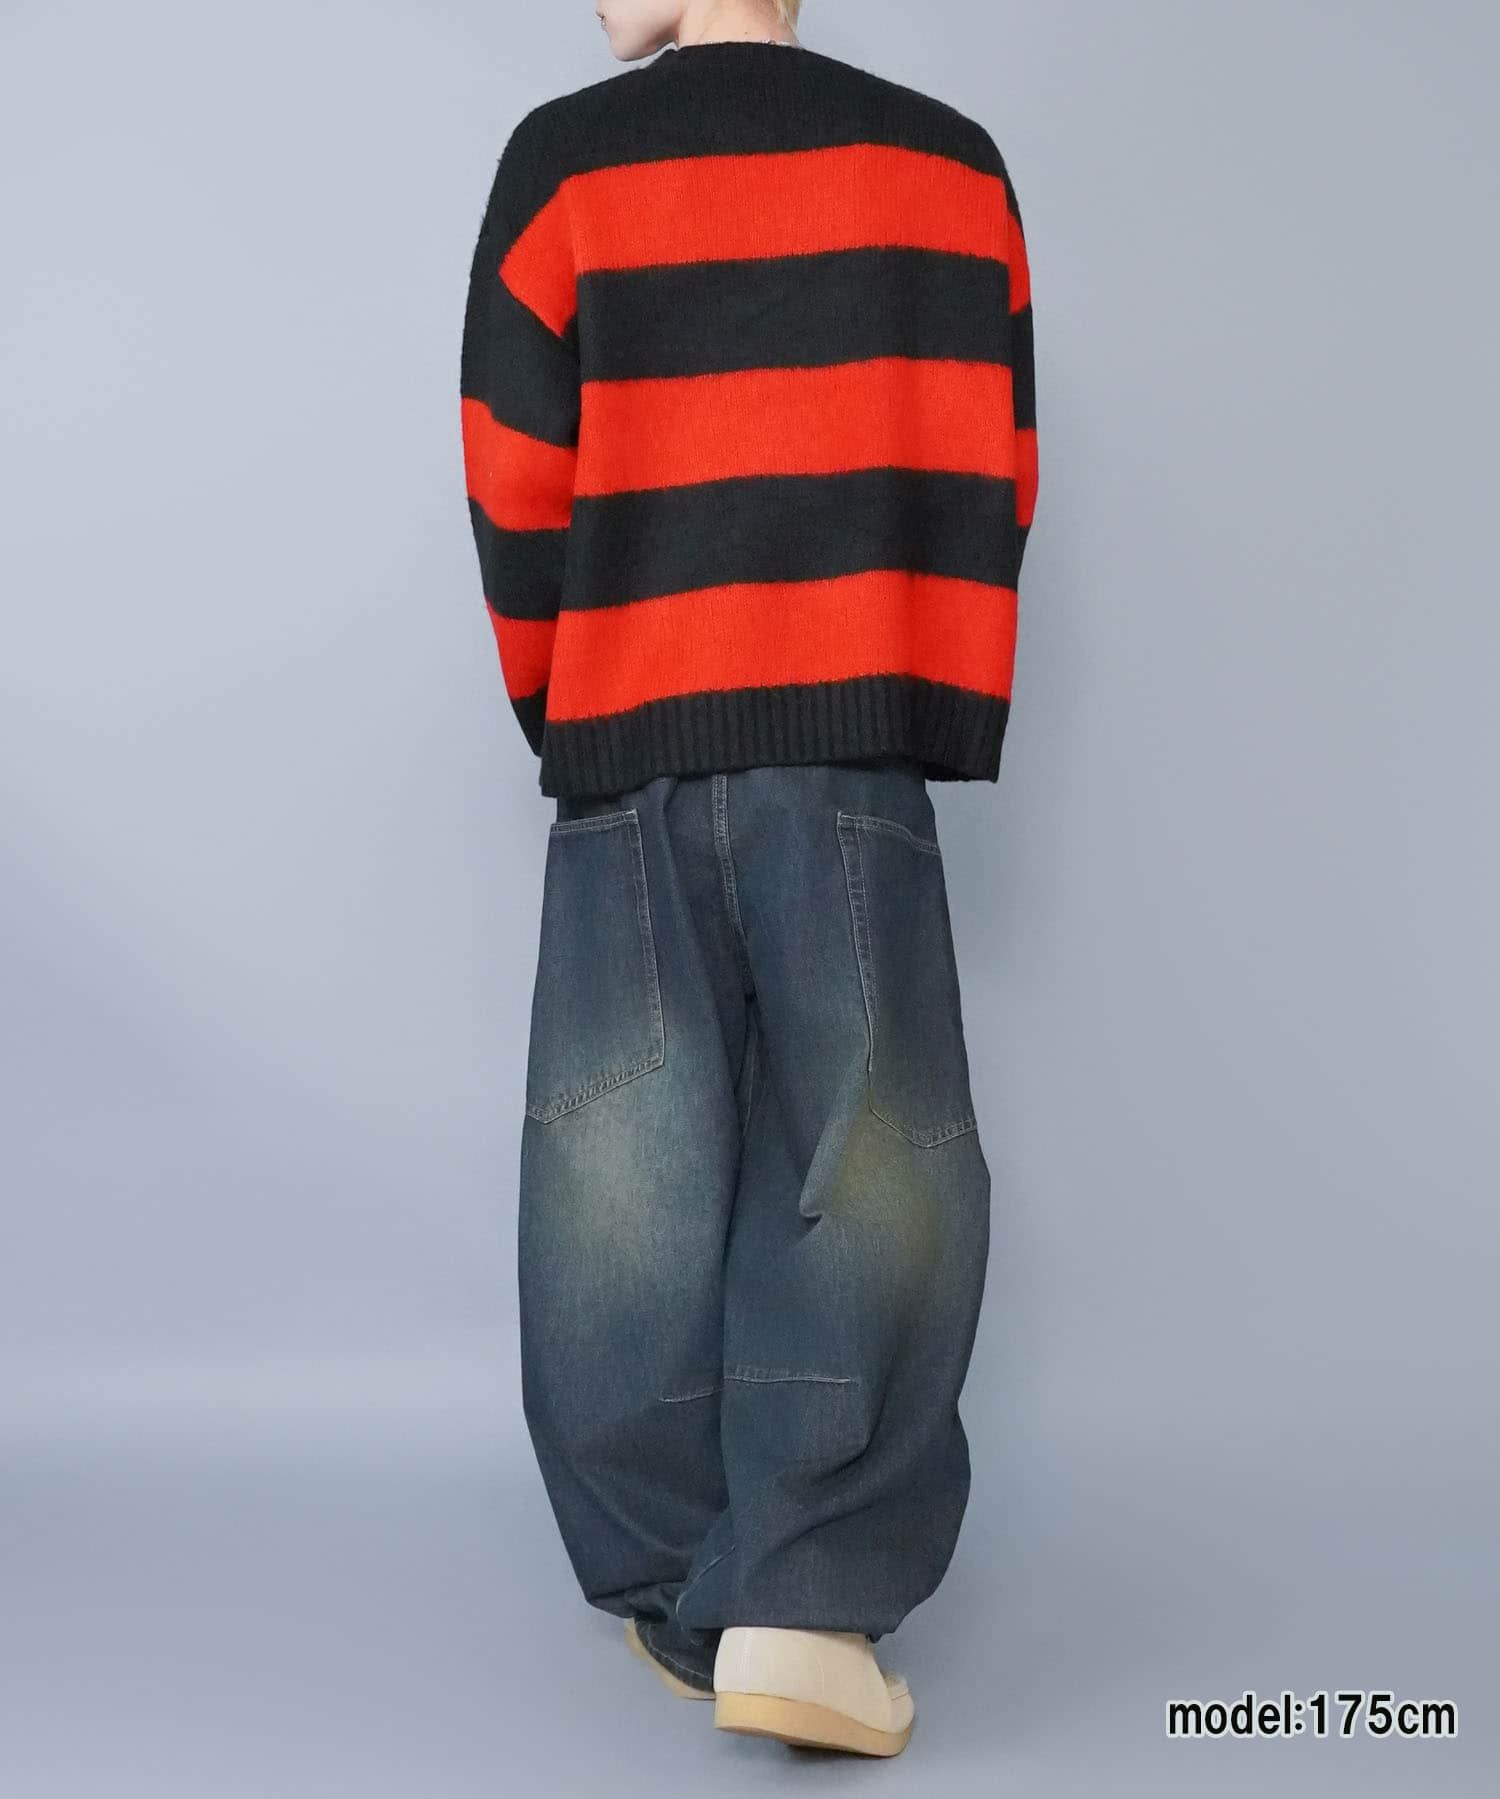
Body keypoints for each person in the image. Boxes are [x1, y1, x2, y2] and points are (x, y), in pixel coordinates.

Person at [458, 0, 1036, 1758]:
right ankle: (805, 1590)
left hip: (630, 735)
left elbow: (514, 483)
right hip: (853, 745)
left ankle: (682, 1583)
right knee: (871, 1155)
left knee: (617, 1164)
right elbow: (990, 473)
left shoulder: (564, 163)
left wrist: (571, 704)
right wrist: (918, 690)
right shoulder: (947, 167)